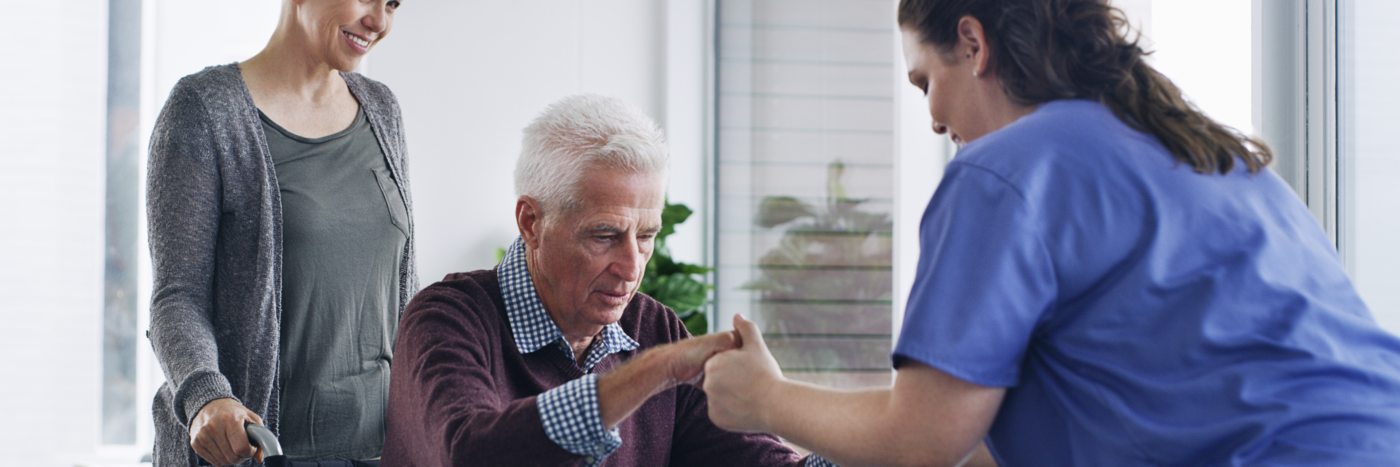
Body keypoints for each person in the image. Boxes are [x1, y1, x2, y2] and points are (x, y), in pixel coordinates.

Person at [701, 0, 1400, 466]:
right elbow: (981, 437)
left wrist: (764, 399)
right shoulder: (1211, 156)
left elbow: (921, 438)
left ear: (972, 44)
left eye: (925, 83)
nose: (935, 122)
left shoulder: (1006, 169)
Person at [381, 94, 833, 467]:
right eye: (605, 235)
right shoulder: (446, 318)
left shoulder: (655, 328)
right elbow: (468, 454)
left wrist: (879, 438)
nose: (632, 267)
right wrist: (655, 371)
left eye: (646, 236)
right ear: (531, 222)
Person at [146, 1, 412, 465]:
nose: (380, 20)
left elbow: (400, 294)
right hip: (261, 452)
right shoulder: (204, 110)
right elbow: (177, 297)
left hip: (379, 450)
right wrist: (206, 397)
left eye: (392, 3)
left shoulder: (382, 109)